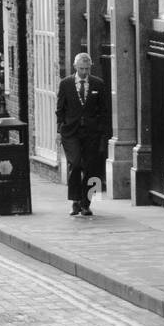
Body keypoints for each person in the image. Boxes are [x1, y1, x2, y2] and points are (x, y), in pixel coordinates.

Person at [55, 52, 112, 218]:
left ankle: (86, 203)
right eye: (81, 69)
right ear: (75, 67)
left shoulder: (98, 84)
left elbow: (104, 110)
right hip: (71, 131)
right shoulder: (65, 84)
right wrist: (59, 130)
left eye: (87, 69)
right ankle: (75, 200)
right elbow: (60, 109)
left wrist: (102, 131)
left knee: (91, 167)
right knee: (76, 163)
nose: (84, 72)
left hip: (91, 133)